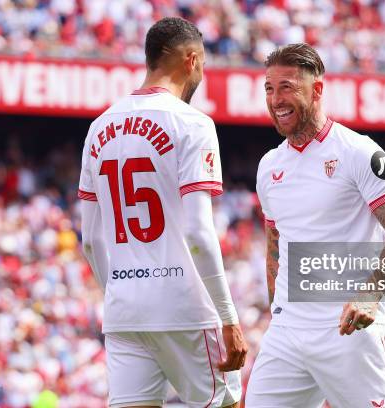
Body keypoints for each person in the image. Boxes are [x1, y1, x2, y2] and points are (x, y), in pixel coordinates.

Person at [78, 17, 248, 408]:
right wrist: (228, 317)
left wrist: (119, 293)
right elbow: (199, 235)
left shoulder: (99, 127)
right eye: (203, 64)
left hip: (124, 311)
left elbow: (91, 240)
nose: (202, 73)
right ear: (191, 60)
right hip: (184, 307)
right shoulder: (192, 123)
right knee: (224, 404)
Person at [245, 43, 385, 408]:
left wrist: (370, 295)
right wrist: (278, 311)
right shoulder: (268, 166)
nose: (276, 99)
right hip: (288, 332)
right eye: (269, 88)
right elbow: (275, 243)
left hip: (349, 331)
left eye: (287, 87)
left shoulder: (358, 152)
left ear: (317, 90)